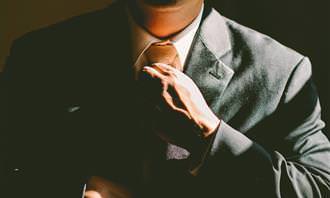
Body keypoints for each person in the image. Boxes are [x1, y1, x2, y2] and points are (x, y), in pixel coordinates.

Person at [2, 0, 330, 197]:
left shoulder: (281, 71)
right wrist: (72, 189)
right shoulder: (40, 56)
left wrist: (210, 135)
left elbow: (319, 188)